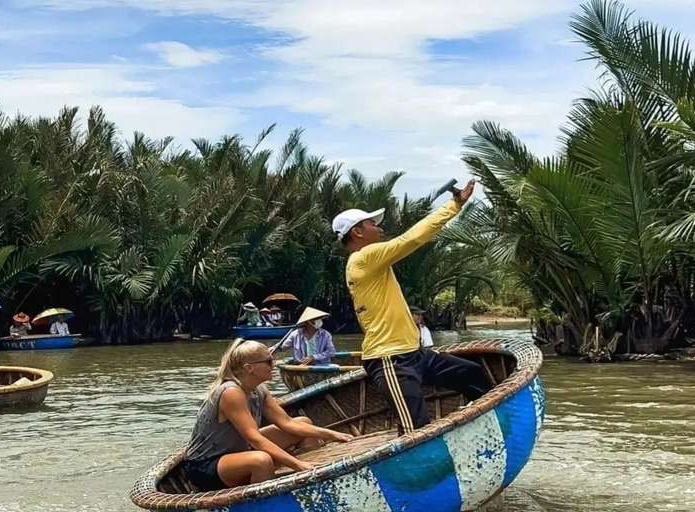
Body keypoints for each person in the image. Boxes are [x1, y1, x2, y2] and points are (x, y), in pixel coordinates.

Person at [332, 179, 491, 434]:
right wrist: (455, 204)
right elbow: (412, 238)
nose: (380, 230)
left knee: (471, 373)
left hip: (414, 354)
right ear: (357, 232)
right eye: (373, 225)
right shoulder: (364, 258)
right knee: (415, 431)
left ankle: (483, 426)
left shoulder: (370, 262)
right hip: (390, 359)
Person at [183, 338, 352, 491]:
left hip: (238, 450)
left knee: (303, 423)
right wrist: (298, 464)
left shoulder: (259, 389)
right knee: (261, 461)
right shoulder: (231, 392)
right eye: (269, 361)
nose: (274, 364)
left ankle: (311, 485)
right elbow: (254, 439)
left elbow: (287, 423)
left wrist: (332, 434)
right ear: (249, 368)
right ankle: (263, 500)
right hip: (205, 465)